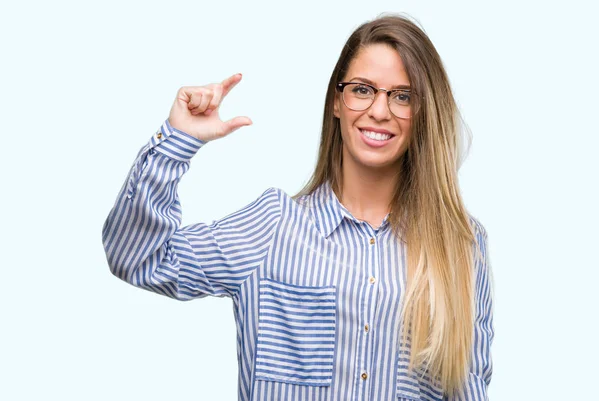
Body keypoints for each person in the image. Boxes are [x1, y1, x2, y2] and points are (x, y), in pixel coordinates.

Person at [102, 12, 494, 401]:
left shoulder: (460, 245)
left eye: (403, 96)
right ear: (337, 102)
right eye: (362, 89)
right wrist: (177, 141)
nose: (379, 110)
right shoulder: (272, 227)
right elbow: (138, 258)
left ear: (424, 113)